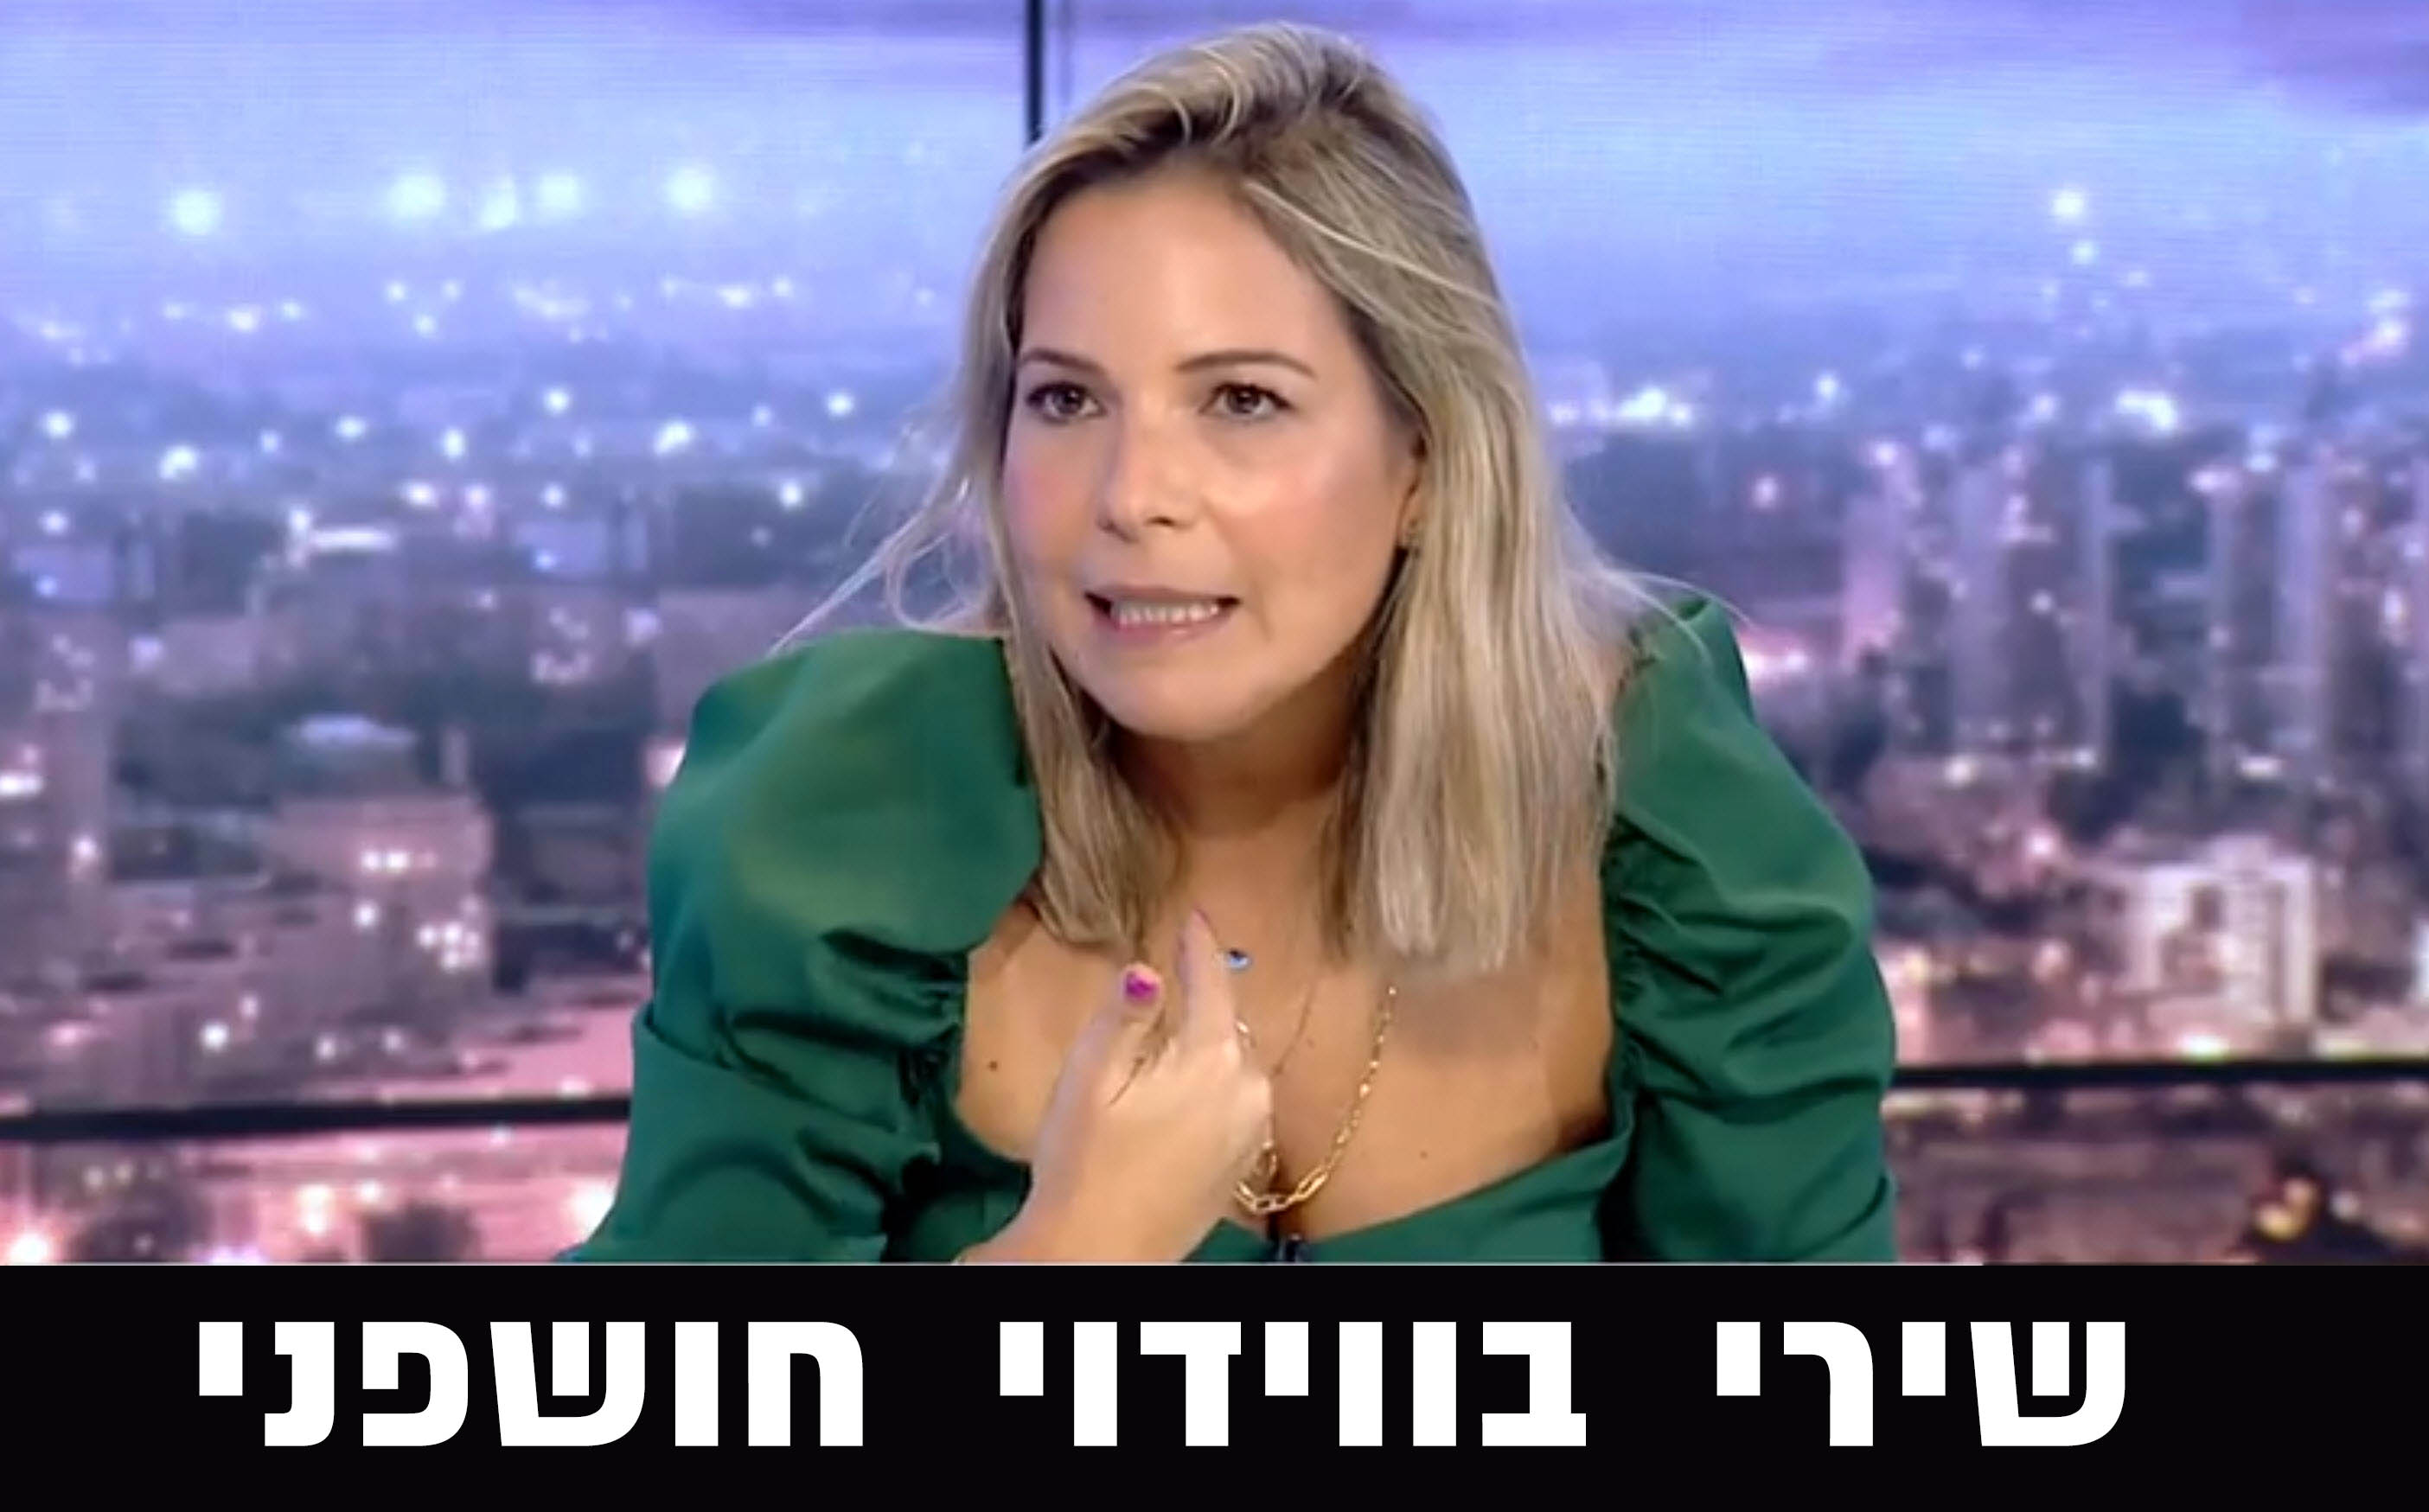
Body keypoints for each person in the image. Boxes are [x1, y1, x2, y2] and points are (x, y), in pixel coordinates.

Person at [566, 23, 1898, 1263]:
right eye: (1065, 399)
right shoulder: (842, 831)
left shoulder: (1673, 844)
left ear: (1424, 460)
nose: (1132, 494)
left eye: (1242, 400)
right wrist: (1071, 1248)